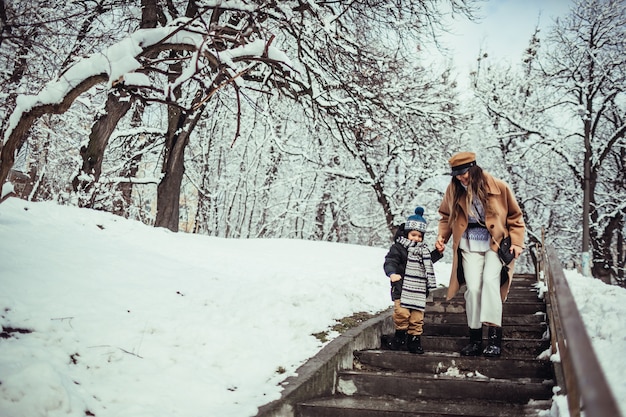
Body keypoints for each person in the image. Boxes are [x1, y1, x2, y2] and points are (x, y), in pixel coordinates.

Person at [435, 151, 525, 357]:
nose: (461, 177)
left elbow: (515, 216)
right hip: (468, 243)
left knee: (490, 283)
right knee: (474, 289)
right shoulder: (453, 189)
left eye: (464, 173)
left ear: (474, 169)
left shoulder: (499, 187)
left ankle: (494, 339)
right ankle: (475, 339)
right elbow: (445, 215)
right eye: (457, 174)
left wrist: (517, 243)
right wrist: (442, 237)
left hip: (495, 243)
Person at [383, 207, 443, 354]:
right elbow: (390, 261)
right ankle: (400, 337)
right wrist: (392, 273)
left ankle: (414, 341)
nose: (416, 238)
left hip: (418, 291)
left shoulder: (423, 251)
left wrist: (437, 253)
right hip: (401, 288)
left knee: (417, 317)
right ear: (407, 233)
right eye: (413, 235)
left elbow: (427, 262)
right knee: (402, 313)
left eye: (419, 236)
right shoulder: (398, 248)